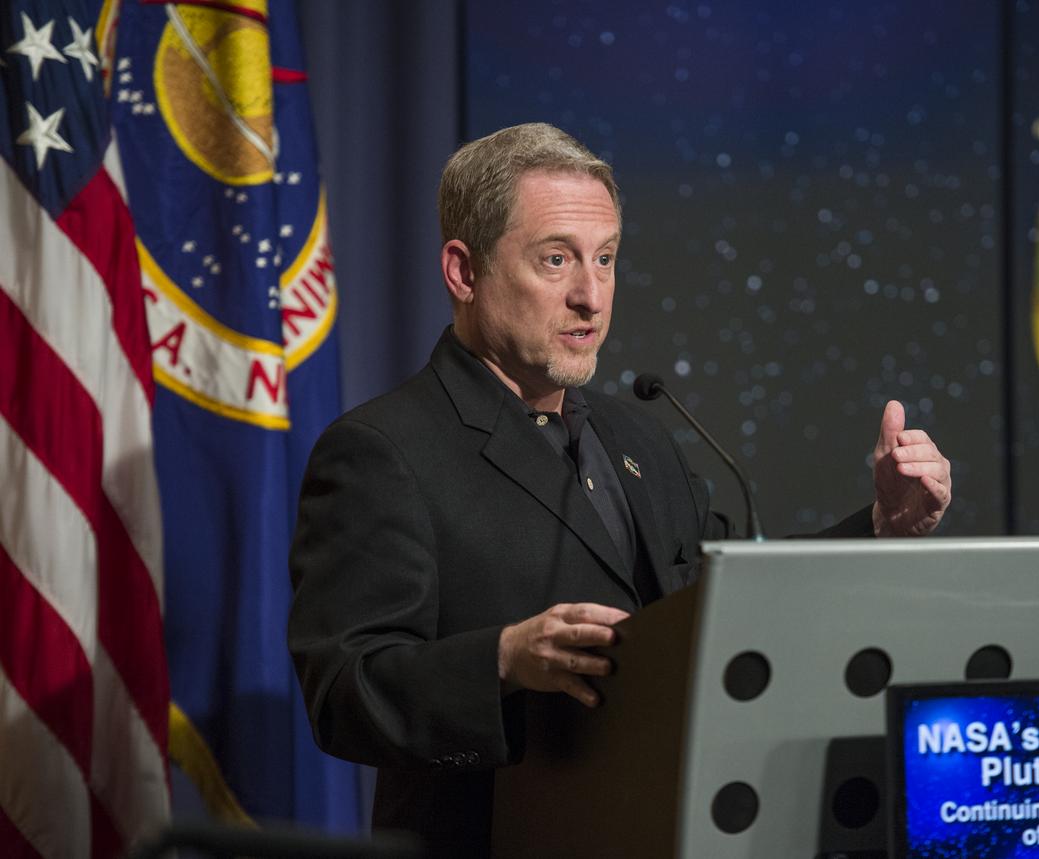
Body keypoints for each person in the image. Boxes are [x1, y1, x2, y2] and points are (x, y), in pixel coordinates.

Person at [287, 123, 952, 855]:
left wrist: (881, 527)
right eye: (556, 259)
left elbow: (727, 605)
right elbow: (344, 691)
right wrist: (504, 658)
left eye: (606, 259)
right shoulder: (383, 451)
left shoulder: (638, 436)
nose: (591, 296)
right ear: (463, 271)